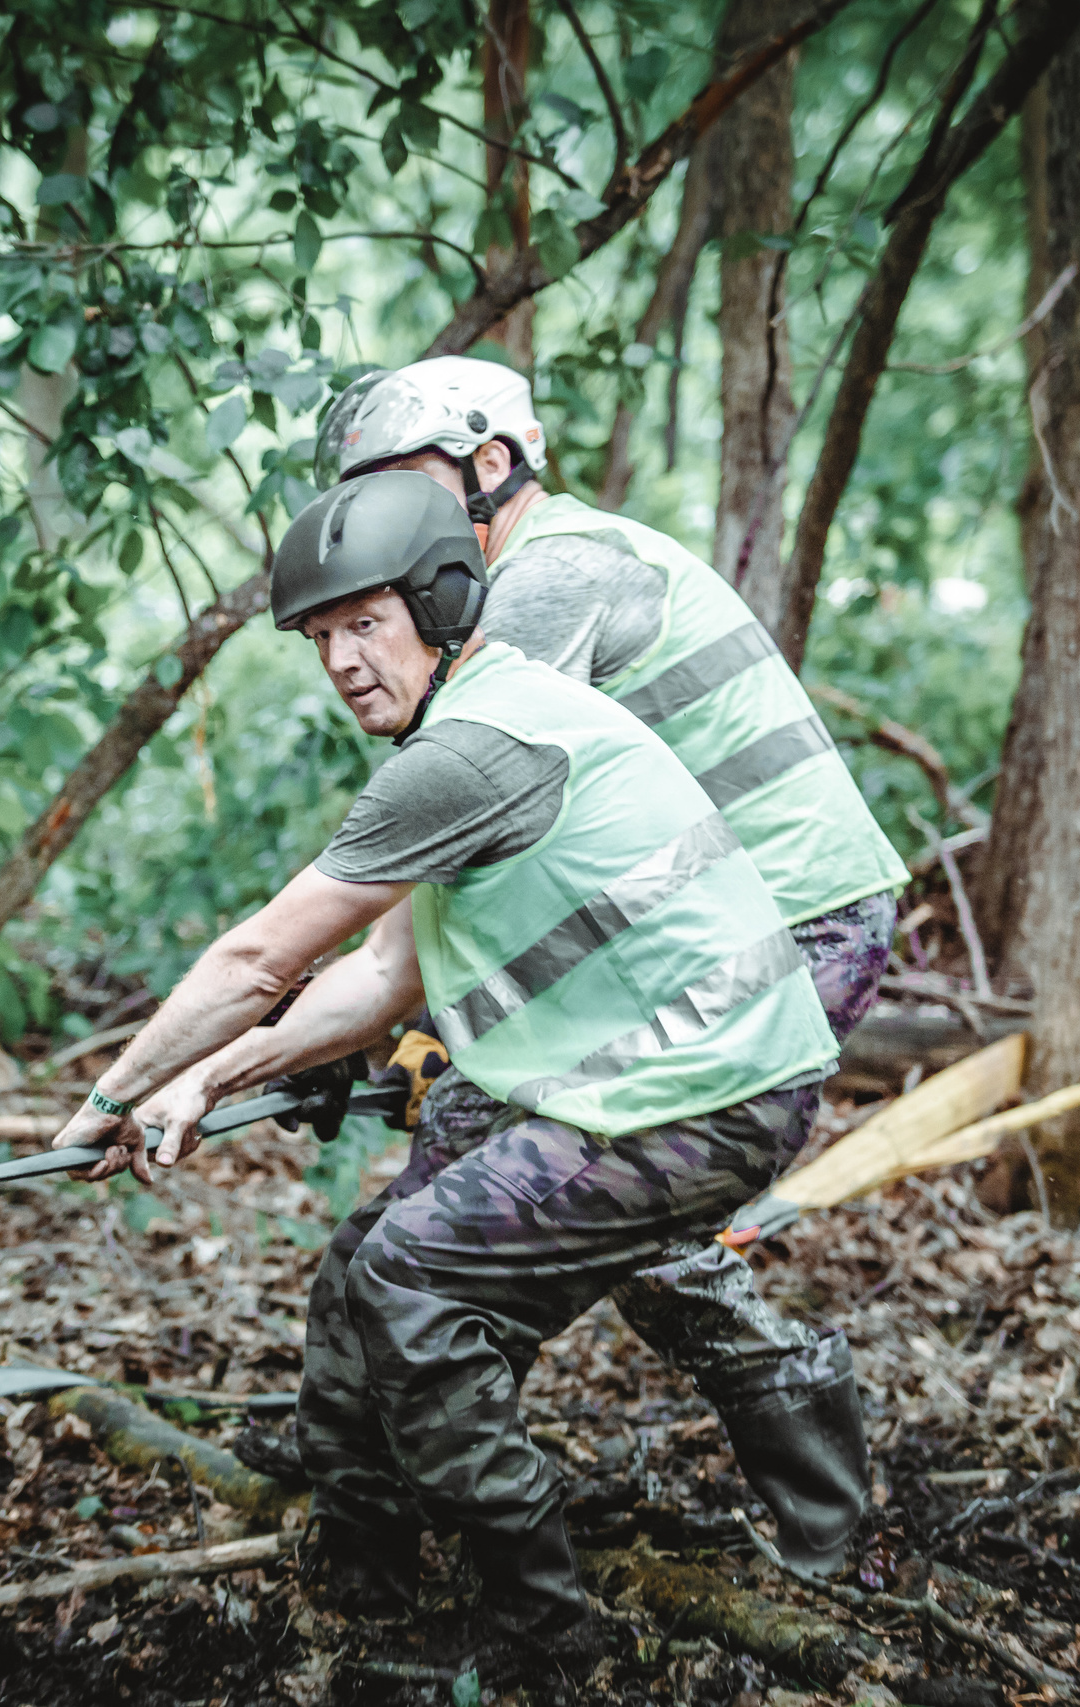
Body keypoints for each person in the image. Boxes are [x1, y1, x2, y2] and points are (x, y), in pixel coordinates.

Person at [47, 472, 845, 1642]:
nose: (341, 661)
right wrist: (203, 1080)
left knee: (407, 1281)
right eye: (319, 638)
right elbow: (383, 979)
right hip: (642, 1088)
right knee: (358, 1273)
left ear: (442, 602)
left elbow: (261, 959)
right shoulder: (485, 717)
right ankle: (365, 1577)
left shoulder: (473, 747)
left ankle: (543, 1627)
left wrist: (109, 1095)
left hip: (699, 1099)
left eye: (364, 624)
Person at [311, 355, 907, 1564]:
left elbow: (453, 817)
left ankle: (811, 1521)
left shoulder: (550, 577)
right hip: (680, 926)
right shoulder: (499, 583)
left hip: (792, 917)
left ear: (492, 465)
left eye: (404, 484)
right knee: (523, 1188)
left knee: (600, 1199)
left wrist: (363, 1012)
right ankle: (372, 1463)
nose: (384, 518)